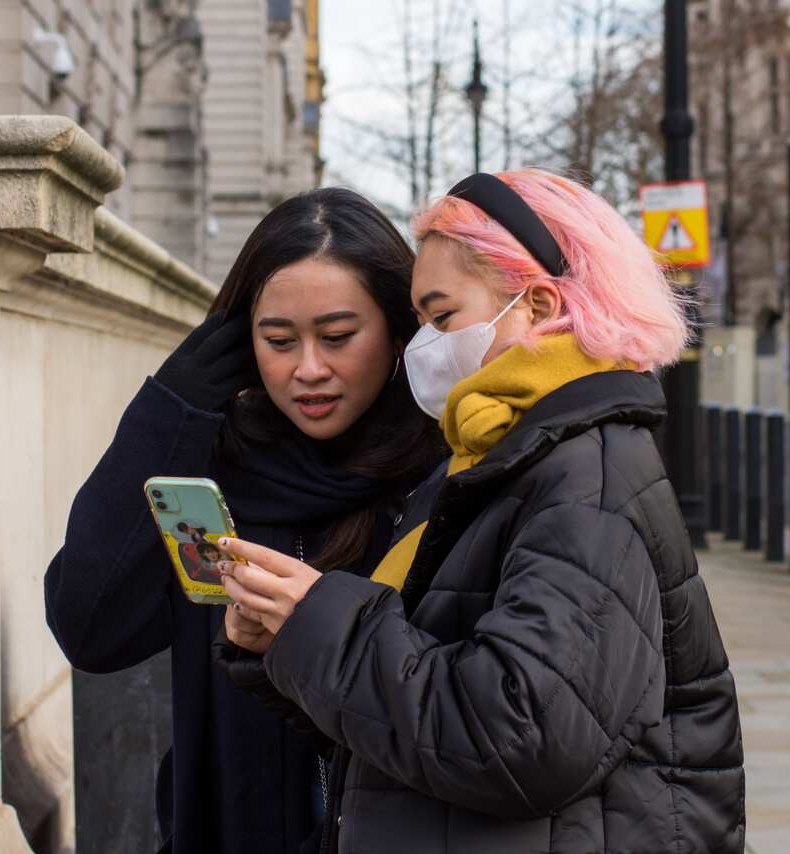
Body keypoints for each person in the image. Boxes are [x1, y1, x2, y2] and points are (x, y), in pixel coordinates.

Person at [217, 170, 746, 853]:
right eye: (420, 322)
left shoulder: (585, 474)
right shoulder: (497, 456)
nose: (425, 346)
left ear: (538, 306)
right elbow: (415, 729)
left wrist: (321, 622)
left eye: (442, 317)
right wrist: (286, 644)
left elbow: (521, 737)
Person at [43, 187, 443, 854]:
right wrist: (166, 414)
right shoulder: (212, 473)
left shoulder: (444, 474)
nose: (309, 369)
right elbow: (90, 631)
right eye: (279, 340)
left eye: (338, 337)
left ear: (398, 330)